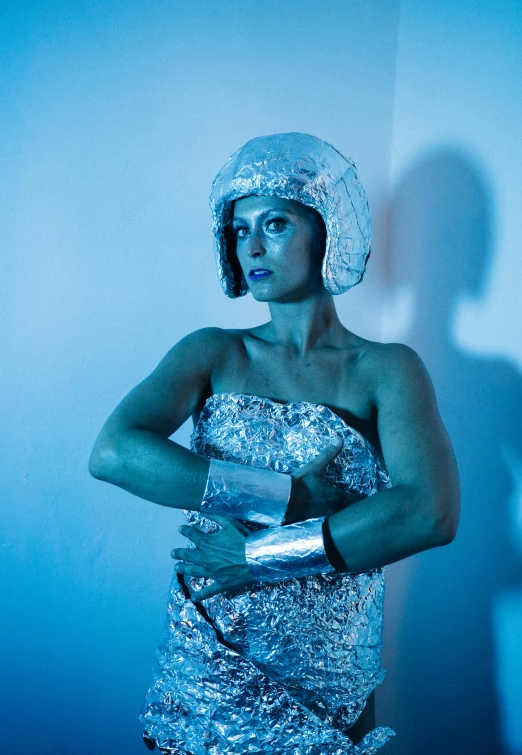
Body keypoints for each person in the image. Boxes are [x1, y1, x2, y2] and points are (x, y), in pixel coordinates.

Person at [89, 132, 460, 754]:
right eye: (239, 229)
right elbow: (115, 452)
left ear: (328, 232)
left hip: (326, 685)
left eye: (277, 223)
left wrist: (260, 556)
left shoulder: (387, 369)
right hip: (210, 672)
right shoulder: (213, 352)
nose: (253, 246)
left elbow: (430, 511)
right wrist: (284, 496)